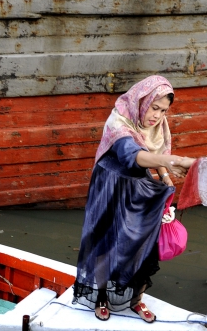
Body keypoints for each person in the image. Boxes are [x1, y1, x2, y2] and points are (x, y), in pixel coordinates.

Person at [73, 75, 190, 323]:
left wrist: (166, 179)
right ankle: (102, 297)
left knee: (145, 246)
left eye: (163, 110)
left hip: (140, 187)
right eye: (154, 108)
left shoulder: (158, 126)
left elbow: (156, 154)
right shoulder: (120, 121)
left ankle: (136, 300)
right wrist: (173, 161)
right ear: (142, 101)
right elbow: (133, 155)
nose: (157, 115)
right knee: (107, 243)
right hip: (110, 189)